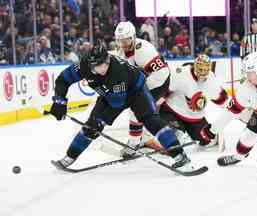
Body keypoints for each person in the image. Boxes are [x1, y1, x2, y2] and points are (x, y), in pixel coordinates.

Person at [49, 42, 198, 173]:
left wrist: (100, 121)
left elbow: (117, 103)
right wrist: (59, 102)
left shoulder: (117, 72)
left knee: (150, 120)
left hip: (136, 91)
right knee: (91, 126)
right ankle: (69, 157)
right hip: (110, 93)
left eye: (106, 62)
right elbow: (63, 80)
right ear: (90, 64)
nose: (104, 66)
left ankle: (180, 156)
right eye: (100, 64)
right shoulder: (82, 66)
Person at [205, 52, 257, 173]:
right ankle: (238, 156)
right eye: (247, 73)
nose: (248, 77)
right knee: (248, 137)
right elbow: (230, 111)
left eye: (251, 73)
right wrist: (213, 130)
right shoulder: (245, 89)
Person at [114, 21, 171, 157]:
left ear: (133, 37)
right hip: (147, 81)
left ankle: (134, 144)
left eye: (127, 40)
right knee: (137, 110)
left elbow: (160, 74)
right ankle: (142, 137)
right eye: (120, 41)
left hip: (158, 81)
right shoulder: (121, 51)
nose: (124, 44)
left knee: (136, 110)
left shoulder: (143, 50)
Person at [158, 54, 228, 149]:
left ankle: (195, 134)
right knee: (172, 138)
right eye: (200, 69)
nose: (202, 73)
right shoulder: (181, 73)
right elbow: (164, 91)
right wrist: (154, 107)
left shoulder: (212, 81)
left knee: (208, 142)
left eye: (205, 69)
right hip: (172, 111)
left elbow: (224, 101)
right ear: (195, 66)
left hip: (195, 118)